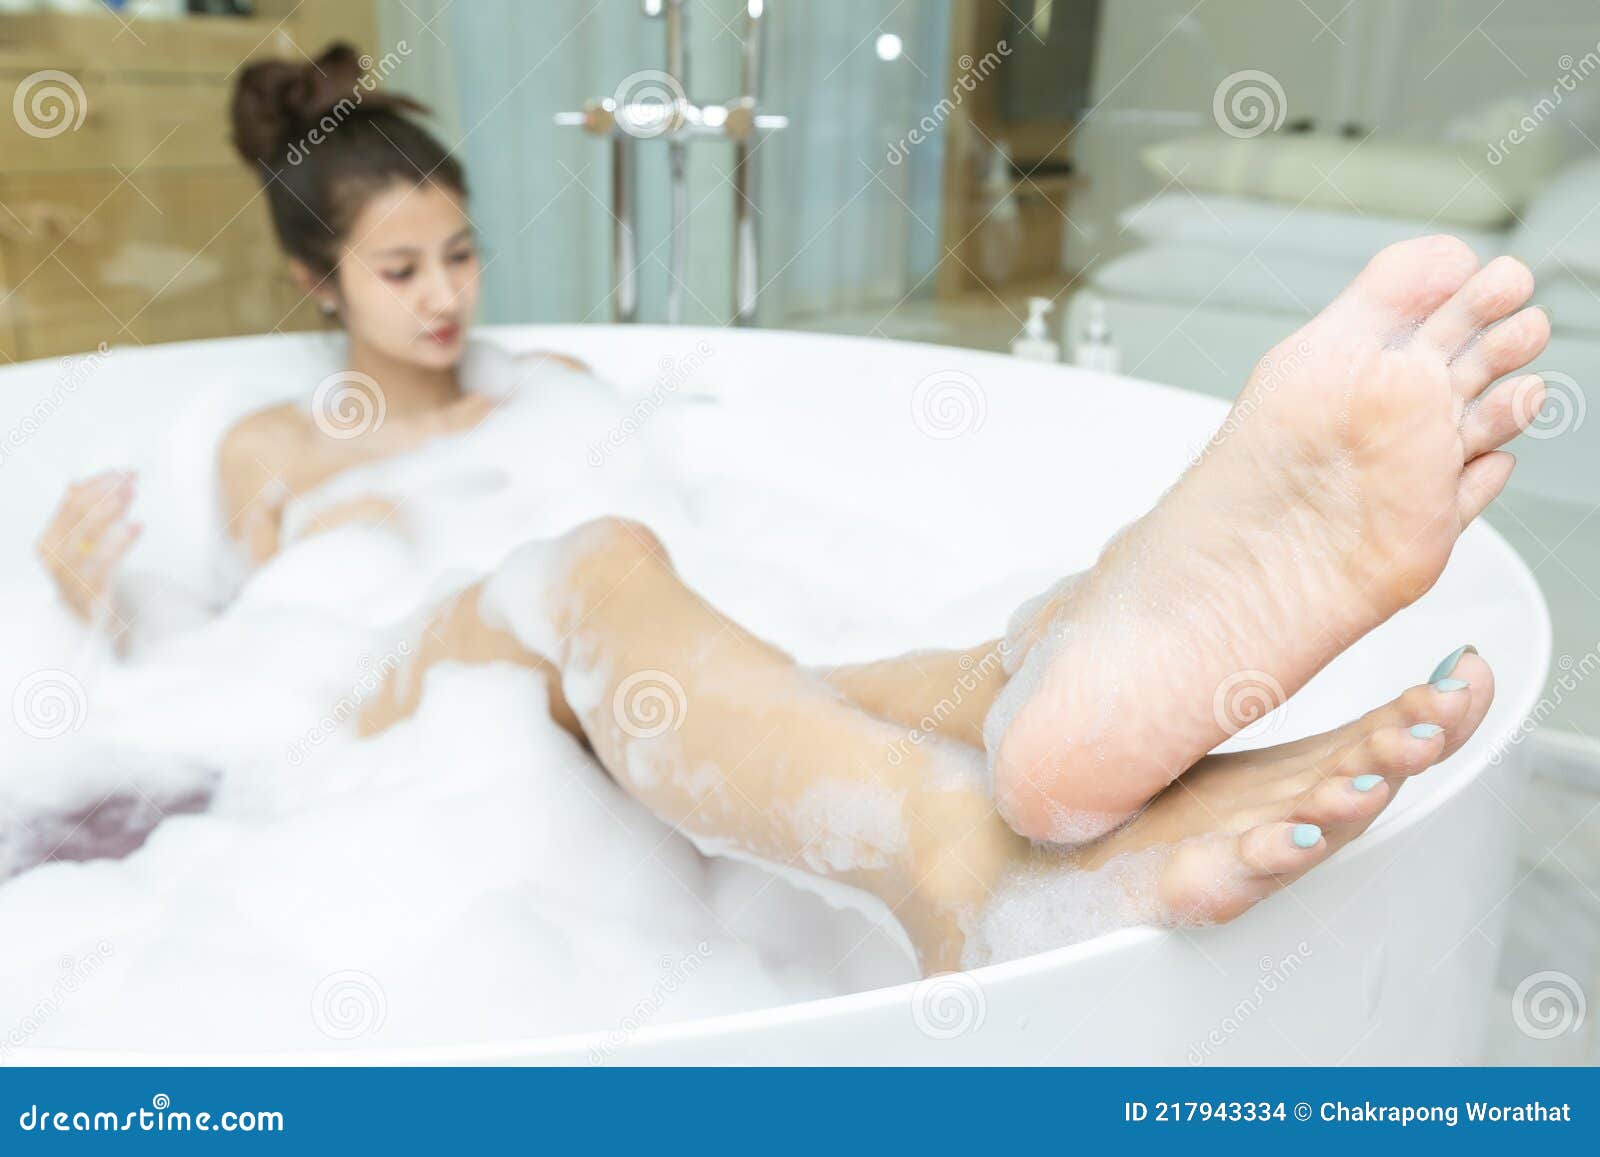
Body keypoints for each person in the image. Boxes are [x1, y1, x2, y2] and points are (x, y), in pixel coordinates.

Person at [25, 49, 1550, 973]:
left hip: (575, 691)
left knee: (661, 632)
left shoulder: (554, 383)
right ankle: (961, 843)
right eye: (399, 271)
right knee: (591, 567)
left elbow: (687, 641)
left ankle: (1031, 670)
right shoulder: (267, 452)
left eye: (464, 255)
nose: (446, 297)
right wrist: (97, 602)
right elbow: (208, 689)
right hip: (357, 713)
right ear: (314, 282)